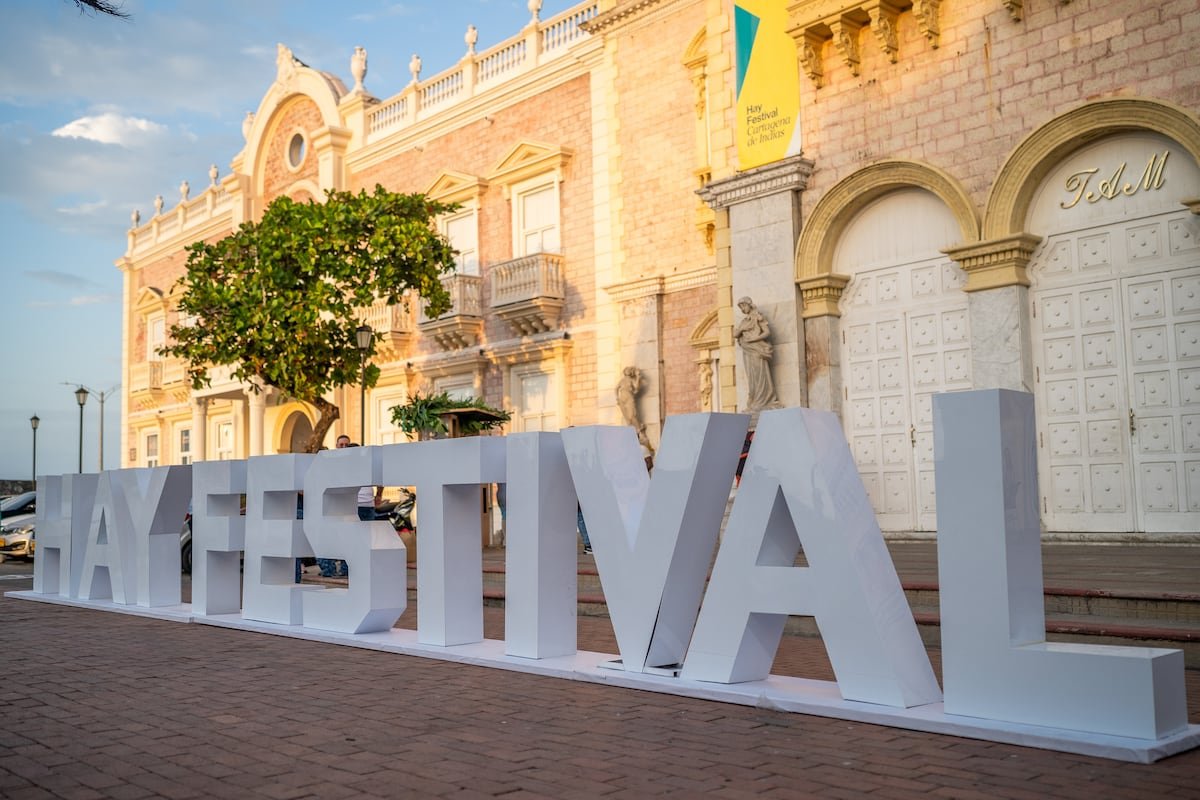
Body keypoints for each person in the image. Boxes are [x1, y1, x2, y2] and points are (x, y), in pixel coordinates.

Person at [733, 297, 781, 412]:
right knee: (752, 377)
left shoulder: (758, 317)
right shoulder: (744, 321)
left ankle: (764, 400)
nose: (743, 308)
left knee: (760, 374)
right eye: (741, 307)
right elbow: (735, 334)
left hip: (757, 351)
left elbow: (767, 332)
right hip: (747, 351)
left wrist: (754, 339)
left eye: (744, 305)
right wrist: (742, 330)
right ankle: (755, 400)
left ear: (749, 304)